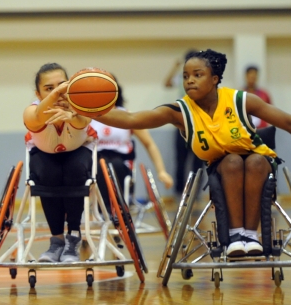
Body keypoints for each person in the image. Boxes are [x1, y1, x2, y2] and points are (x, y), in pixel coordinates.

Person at [56, 49, 291, 257]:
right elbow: (131, 120)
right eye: (186, 76)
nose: (189, 80)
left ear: (214, 79)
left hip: (257, 161)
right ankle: (236, 236)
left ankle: (249, 236)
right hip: (221, 167)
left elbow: (288, 122)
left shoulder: (241, 100)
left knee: (250, 160)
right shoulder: (179, 110)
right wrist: (86, 108)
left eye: (197, 75)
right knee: (229, 163)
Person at [23, 62, 96, 263]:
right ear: (38, 95)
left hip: (78, 152)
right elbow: (36, 117)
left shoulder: (80, 107)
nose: (57, 92)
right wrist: (58, 94)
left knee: (75, 169)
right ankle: (56, 241)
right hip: (45, 154)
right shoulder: (32, 112)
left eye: (62, 85)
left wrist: (71, 114)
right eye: (49, 88)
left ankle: (73, 239)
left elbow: (83, 121)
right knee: (46, 173)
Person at [90, 79, 174, 207]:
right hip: (96, 162)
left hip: (120, 162)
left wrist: (161, 171)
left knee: (113, 166)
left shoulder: (127, 115)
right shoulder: (88, 117)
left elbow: (149, 144)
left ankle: (114, 206)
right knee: (94, 166)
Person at [164, 49, 204, 197]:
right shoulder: (182, 77)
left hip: (199, 124)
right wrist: (175, 67)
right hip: (182, 122)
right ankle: (179, 193)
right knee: (180, 160)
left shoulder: (202, 77)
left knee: (198, 161)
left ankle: (195, 193)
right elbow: (167, 83)